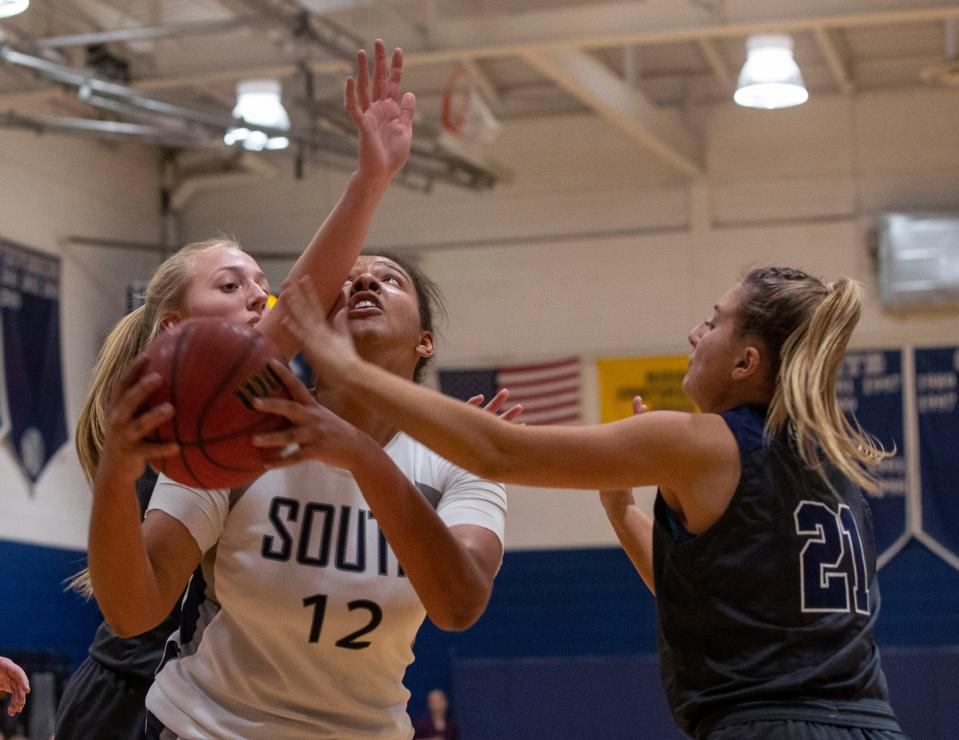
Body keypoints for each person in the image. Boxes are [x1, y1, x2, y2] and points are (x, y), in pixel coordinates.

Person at [277, 266, 906, 739]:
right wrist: (621, 514)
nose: (695, 333)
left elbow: (499, 453)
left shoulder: (701, 442)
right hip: (873, 724)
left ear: (746, 361)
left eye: (713, 322)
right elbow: (712, 607)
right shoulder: (828, 464)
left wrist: (347, 369)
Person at [57, 38, 415, 740]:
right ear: (177, 326)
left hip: (175, 680)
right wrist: (366, 183)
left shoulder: (221, 393)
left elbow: (302, 295)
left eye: (262, 283)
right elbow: (310, 290)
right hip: (130, 688)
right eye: (231, 285)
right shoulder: (168, 402)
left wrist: (372, 177)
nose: (262, 298)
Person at [89, 252, 516, 739]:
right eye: (347, 281)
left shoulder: (457, 456)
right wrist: (117, 477)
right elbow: (131, 612)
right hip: (210, 728)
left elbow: (458, 605)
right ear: (309, 330)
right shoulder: (236, 431)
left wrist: (361, 455)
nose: (365, 284)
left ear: (425, 342)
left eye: (389, 279)